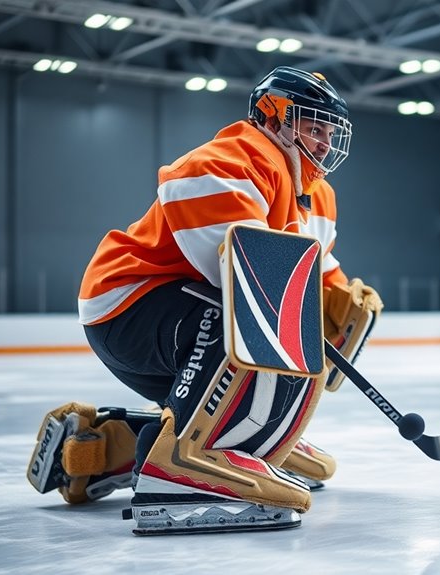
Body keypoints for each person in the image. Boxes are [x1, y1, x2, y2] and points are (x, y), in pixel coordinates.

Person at [26, 67, 382, 532]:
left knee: (265, 361)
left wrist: (339, 299)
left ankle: (108, 447)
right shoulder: (232, 159)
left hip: (178, 315)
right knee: (247, 318)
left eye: (328, 131)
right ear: (273, 119)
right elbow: (242, 273)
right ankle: (180, 464)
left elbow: (315, 272)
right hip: (127, 301)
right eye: (313, 127)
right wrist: (306, 307)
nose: (322, 141)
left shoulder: (319, 197)